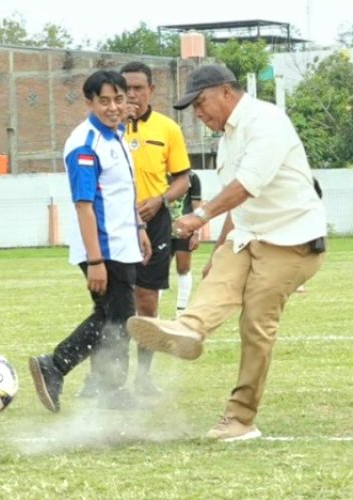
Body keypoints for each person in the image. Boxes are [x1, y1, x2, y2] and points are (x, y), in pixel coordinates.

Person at [127, 65, 327, 441]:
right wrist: (217, 251)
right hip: (249, 235)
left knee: (255, 323)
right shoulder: (228, 138)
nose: (199, 114)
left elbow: (246, 186)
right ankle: (186, 329)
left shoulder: (267, 121)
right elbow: (239, 208)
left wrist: (199, 215)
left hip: (292, 240)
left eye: (201, 104)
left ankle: (240, 419)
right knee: (218, 278)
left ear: (225, 92)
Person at [28, 69, 151, 412]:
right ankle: (57, 366)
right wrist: (95, 261)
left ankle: (104, 388)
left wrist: (139, 228)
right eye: (104, 101)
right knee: (117, 320)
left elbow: (122, 192)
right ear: (89, 102)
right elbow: (84, 206)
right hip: (104, 248)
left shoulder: (117, 135)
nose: (113, 107)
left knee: (114, 319)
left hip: (123, 243)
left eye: (118, 99)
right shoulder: (86, 143)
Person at [77, 61, 192, 398]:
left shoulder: (167, 129)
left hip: (152, 223)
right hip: (114, 226)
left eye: (138, 89)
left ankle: (143, 374)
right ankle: (102, 379)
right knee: (112, 306)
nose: (131, 97)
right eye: (125, 91)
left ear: (151, 91)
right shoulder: (107, 130)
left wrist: (160, 200)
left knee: (146, 302)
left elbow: (184, 179)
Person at [168, 170, 203, 317]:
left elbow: (197, 206)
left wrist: (196, 232)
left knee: (183, 268)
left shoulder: (193, 177)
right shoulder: (159, 173)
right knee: (158, 270)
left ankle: (181, 310)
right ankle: (152, 312)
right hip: (162, 229)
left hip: (185, 229)